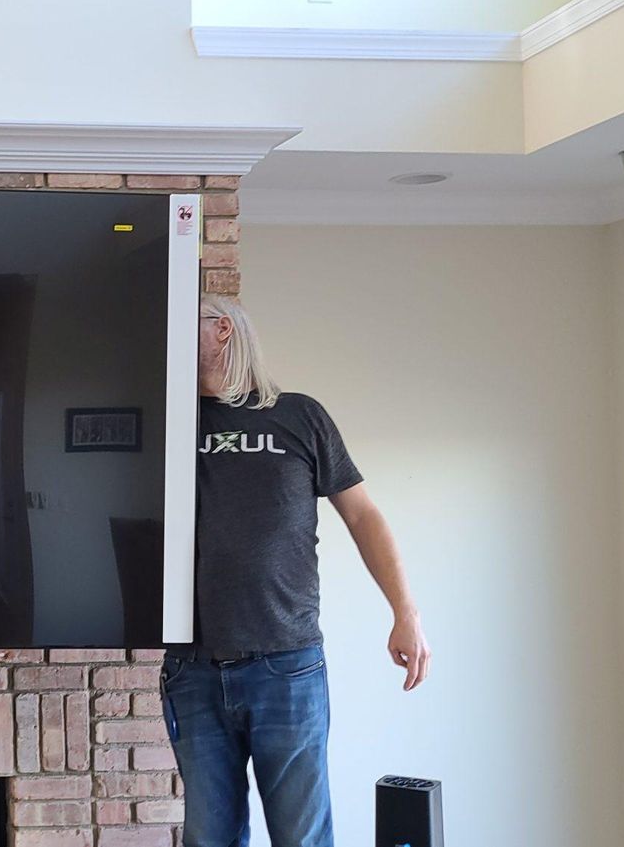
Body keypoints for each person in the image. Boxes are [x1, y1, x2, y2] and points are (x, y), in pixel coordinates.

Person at [166, 295, 430, 847]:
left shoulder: (299, 415)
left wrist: (405, 612)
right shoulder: (167, 422)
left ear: (221, 331)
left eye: (178, 318)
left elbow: (363, 515)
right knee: (208, 838)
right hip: (192, 669)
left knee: (301, 838)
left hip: (286, 666)